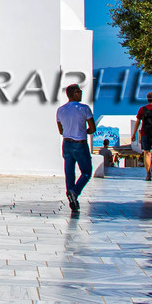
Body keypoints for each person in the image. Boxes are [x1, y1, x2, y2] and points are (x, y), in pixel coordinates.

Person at [55, 83, 96, 214]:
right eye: (79, 91)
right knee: (86, 172)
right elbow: (92, 128)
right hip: (80, 143)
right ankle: (74, 192)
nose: (81, 93)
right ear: (73, 93)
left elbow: (61, 130)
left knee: (69, 172)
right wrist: (83, 131)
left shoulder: (60, 110)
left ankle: (72, 200)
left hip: (66, 143)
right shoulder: (84, 109)